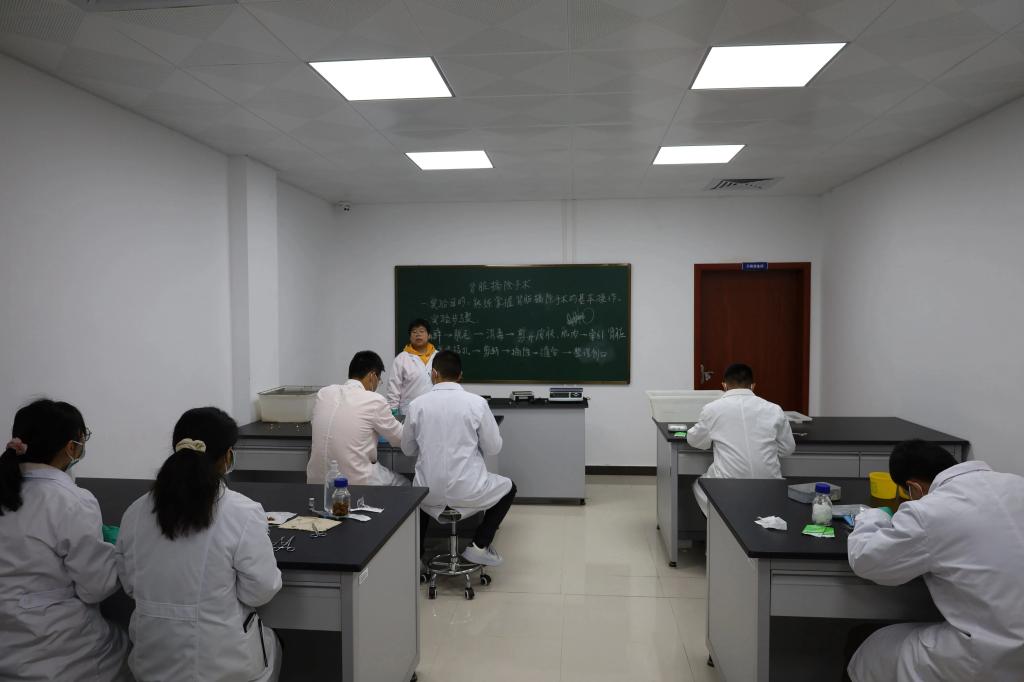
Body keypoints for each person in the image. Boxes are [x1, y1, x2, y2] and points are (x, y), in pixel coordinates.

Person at [117, 407, 282, 682]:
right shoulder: (242, 512)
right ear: (227, 456)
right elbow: (261, 590)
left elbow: (131, 584)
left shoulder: (135, 512)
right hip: (224, 669)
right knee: (274, 645)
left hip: (152, 665)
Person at [845, 439, 1024, 682]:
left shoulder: (929, 511)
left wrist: (870, 517)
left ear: (914, 488)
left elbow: (867, 560)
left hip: (986, 659)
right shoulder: (1016, 484)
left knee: (870, 648)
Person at [0, 399, 132, 682]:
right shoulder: (71, 499)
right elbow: (96, 587)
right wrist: (117, 550)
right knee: (128, 649)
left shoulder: (8, 489)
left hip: (8, 646)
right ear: (71, 447)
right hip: (56, 650)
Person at [402, 350, 515, 567]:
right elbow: (493, 447)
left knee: (420, 490)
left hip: (428, 494)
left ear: (434, 373)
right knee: (509, 488)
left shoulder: (417, 405)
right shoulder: (477, 403)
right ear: (460, 375)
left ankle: (418, 558)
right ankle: (479, 546)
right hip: (469, 491)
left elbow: (407, 449)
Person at [686, 363, 795, 515]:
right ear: (753, 386)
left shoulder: (712, 409)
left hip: (728, 486)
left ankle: (721, 524)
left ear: (724, 385)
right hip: (771, 485)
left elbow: (695, 440)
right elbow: (788, 449)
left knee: (699, 485)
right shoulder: (774, 409)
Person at [308, 350, 407, 486]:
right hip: (356, 483)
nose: (377, 385)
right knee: (404, 484)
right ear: (372, 376)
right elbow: (400, 438)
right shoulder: (374, 400)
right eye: (379, 380)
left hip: (316, 482)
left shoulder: (324, 393)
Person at [386, 318, 438, 414]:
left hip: (434, 410)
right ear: (410, 337)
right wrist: (393, 410)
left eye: (421, 331)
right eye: (414, 332)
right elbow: (393, 387)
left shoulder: (439, 357)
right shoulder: (401, 359)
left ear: (429, 335)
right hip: (409, 411)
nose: (418, 334)